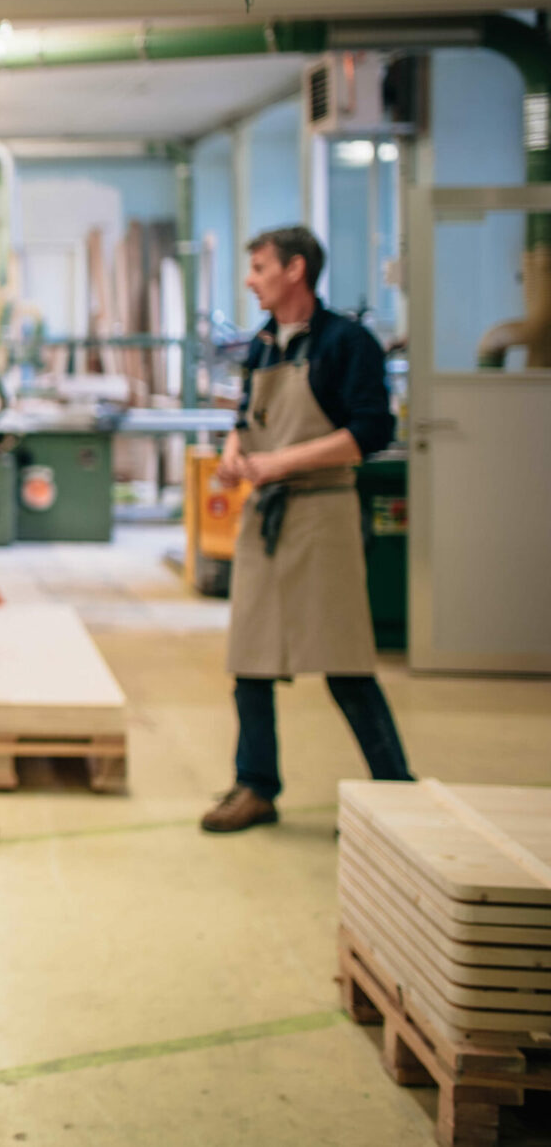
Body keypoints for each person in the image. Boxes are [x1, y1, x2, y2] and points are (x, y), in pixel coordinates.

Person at [202, 226, 414, 833]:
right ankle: (256, 785)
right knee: (250, 657)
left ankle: (398, 789)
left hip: (322, 513)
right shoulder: (264, 345)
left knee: (344, 660)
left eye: (260, 267)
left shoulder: (348, 344)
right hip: (266, 515)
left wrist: (281, 463)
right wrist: (235, 450)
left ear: (296, 270)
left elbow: (370, 433)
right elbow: (248, 415)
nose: (250, 279)